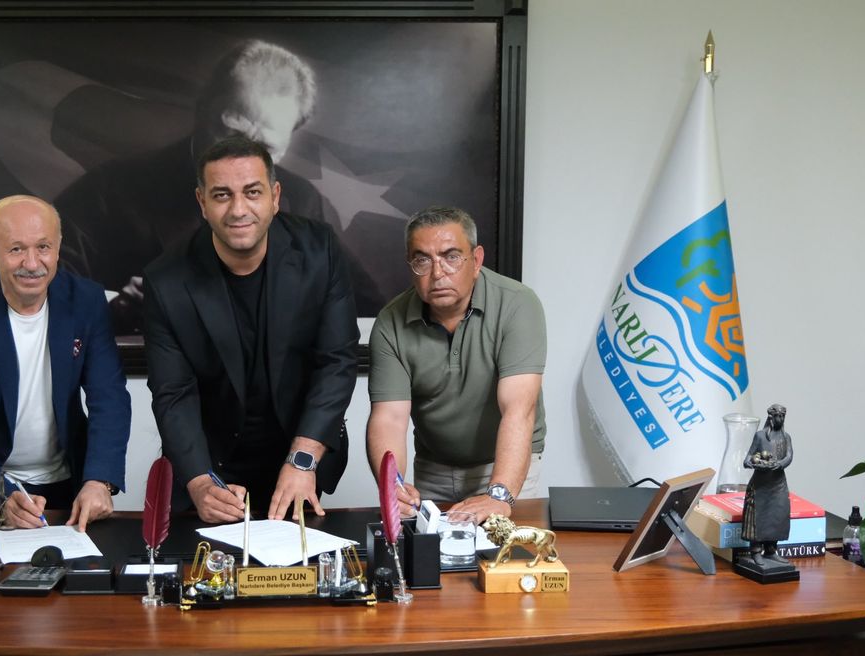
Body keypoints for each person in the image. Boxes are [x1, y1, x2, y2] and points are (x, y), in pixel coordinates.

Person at [54, 39, 381, 335]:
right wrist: (117, 314)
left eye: (266, 148)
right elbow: (43, 299)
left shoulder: (301, 200)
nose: (242, 159)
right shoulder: (108, 190)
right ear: (202, 108)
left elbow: (367, 309)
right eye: (232, 130)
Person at [143, 136, 358, 523]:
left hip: (300, 453)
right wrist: (199, 482)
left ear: (275, 197)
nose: (238, 209)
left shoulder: (319, 251)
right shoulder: (166, 280)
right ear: (202, 203)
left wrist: (303, 459)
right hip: (212, 464)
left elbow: (336, 362)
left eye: (252, 192)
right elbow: (173, 393)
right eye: (222, 195)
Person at [0, 195, 131, 532]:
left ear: (58, 248)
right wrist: (0, 496)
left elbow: (109, 398)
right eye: (16, 249)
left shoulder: (86, 302)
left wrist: (99, 480)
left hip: (65, 486)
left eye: (43, 247)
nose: (32, 263)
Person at [366, 206, 546, 523]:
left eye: (451, 257)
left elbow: (519, 409)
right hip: (434, 467)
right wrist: (393, 486)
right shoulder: (390, 322)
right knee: (428, 552)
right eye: (423, 260)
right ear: (410, 265)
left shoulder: (518, 304)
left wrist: (499, 494)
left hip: (503, 463)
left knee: (505, 551)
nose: (438, 273)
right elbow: (389, 418)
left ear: (476, 260)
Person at [739, 404, 794, 569]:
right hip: (760, 485)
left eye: (783, 416)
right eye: (778, 416)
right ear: (771, 417)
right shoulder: (760, 436)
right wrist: (753, 463)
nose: (781, 419)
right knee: (758, 517)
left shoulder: (786, 437)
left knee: (778, 515)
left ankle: (771, 549)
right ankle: (756, 550)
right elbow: (748, 458)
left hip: (778, 484)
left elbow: (789, 456)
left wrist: (780, 464)